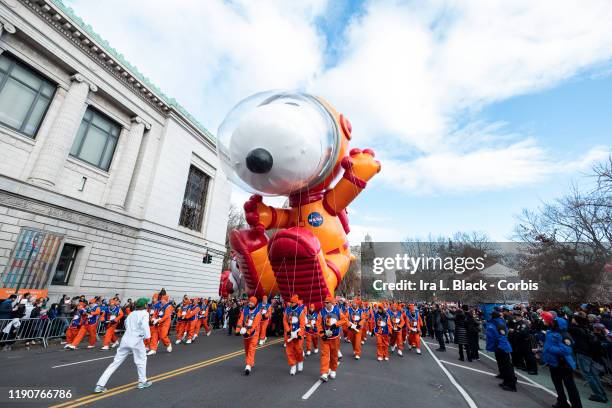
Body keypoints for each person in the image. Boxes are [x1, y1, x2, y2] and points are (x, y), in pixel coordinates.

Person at [94, 298, 152, 393]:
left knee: (115, 362)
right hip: (137, 340)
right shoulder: (145, 313)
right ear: (145, 305)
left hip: (125, 339)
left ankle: (100, 385)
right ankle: (143, 381)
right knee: (141, 360)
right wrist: (147, 337)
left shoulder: (131, 313)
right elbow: (145, 326)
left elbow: (125, 323)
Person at [541, 311, 582, 408]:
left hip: (563, 364)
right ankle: (562, 402)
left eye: (553, 322)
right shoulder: (551, 332)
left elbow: (566, 350)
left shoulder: (564, 335)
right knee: (558, 385)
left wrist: (549, 349)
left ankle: (577, 406)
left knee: (570, 387)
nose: (551, 323)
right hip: (553, 363)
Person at [569, 313, 608, 403]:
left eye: (574, 319)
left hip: (583, 353)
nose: (572, 320)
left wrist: (572, 319)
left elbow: (569, 327)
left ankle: (599, 395)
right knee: (593, 375)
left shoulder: (577, 330)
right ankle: (602, 394)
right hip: (589, 354)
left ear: (577, 321)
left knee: (589, 375)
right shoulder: (586, 328)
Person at [486, 309, 517, 392]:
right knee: (503, 366)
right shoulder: (494, 323)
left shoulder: (499, 324)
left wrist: (501, 347)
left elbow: (502, 336)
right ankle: (506, 381)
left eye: (491, 315)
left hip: (502, 347)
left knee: (507, 366)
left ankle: (511, 384)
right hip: (498, 347)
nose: (489, 316)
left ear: (493, 316)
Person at [317, 296, 346, 382]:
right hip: (325, 338)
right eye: (325, 303)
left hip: (335, 337)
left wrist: (336, 324)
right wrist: (322, 334)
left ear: (331, 303)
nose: (325, 304)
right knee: (325, 355)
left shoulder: (338, 311)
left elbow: (344, 320)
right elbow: (318, 324)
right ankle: (324, 373)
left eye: (327, 303)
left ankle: (333, 370)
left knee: (334, 355)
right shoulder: (321, 312)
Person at [237, 296, 262, 375]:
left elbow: (254, 324)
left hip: (254, 333)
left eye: (252, 302)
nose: (250, 303)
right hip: (245, 332)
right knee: (247, 349)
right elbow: (240, 320)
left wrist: (249, 332)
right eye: (250, 302)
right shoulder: (245, 310)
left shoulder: (258, 313)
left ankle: (248, 365)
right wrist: (238, 330)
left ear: (255, 303)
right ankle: (251, 361)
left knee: (251, 348)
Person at [283, 294, 305, 375]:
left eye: (292, 302)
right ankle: (292, 366)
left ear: (296, 302)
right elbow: (285, 321)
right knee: (289, 351)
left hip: (297, 334)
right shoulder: (287, 310)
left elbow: (302, 324)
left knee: (298, 349)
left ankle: (300, 361)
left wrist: (299, 334)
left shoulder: (300, 311)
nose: (290, 303)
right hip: (289, 334)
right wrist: (288, 331)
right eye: (290, 302)